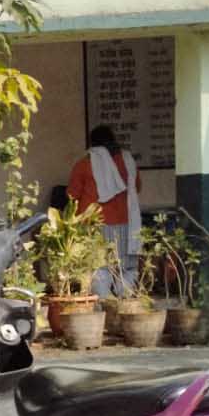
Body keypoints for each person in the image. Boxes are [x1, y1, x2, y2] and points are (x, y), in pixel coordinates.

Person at [67, 125, 143, 297]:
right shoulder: (128, 162)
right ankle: (124, 301)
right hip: (127, 223)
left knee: (99, 266)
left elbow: (72, 195)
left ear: (92, 143)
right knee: (126, 266)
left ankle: (103, 302)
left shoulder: (85, 164)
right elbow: (137, 187)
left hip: (95, 224)